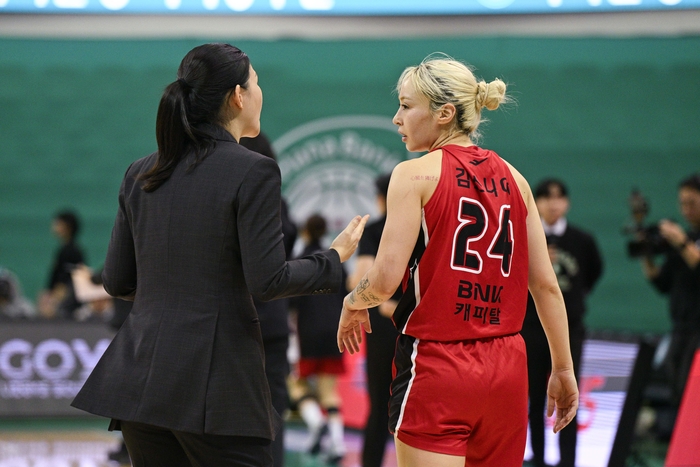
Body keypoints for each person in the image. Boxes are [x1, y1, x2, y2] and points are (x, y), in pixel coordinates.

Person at [70, 43, 368, 467]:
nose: (260, 92)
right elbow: (268, 279)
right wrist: (332, 258)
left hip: (141, 380)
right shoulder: (254, 169)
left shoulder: (140, 172)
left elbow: (117, 281)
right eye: (256, 83)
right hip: (216, 385)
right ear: (238, 96)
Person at [337, 54, 579, 467]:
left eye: (406, 105)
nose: (397, 118)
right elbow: (546, 286)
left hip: (439, 362)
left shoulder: (413, 175)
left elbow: (384, 280)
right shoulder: (517, 179)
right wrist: (563, 368)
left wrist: (352, 301)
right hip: (508, 366)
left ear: (445, 113)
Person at [521, 179, 603, 467]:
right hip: (531, 327)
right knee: (535, 396)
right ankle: (538, 458)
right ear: (536, 203)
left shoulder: (582, 240)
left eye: (559, 197)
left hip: (571, 328)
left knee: (568, 393)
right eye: (546, 197)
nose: (553, 204)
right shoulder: (526, 238)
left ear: (566, 203)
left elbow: (593, 273)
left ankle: (568, 460)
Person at [240, 131, 297, 467]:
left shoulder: (230, 199)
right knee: (272, 410)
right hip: (272, 320)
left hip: (239, 321)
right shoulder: (280, 204)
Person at [347, 173, 401, 467]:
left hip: (384, 329)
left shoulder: (374, 231)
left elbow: (359, 280)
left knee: (379, 404)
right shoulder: (424, 229)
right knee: (418, 408)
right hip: (418, 327)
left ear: (381, 199)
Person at [288, 214, 348, 465]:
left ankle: (315, 422)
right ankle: (338, 443)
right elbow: (347, 295)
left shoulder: (300, 261)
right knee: (329, 391)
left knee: (296, 385)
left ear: (305, 232)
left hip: (308, 334)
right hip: (334, 332)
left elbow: (291, 303)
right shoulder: (336, 262)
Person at [639, 174, 700, 416]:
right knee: (677, 390)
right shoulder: (685, 240)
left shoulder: (685, 242)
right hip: (681, 328)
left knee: (693, 392)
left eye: (692, 203)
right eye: (682, 203)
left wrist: (681, 242)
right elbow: (661, 282)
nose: (686, 209)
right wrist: (645, 251)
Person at [37, 210, 85, 319]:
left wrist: (53, 302)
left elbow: (67, 280)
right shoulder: (64, 249)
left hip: (66, 304)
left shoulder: (71, 251)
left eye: (58, 223)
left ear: (67, 227)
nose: (54, 226)